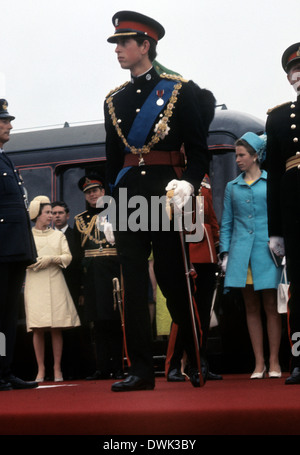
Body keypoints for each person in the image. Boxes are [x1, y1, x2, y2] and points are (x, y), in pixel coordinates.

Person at [104, 11, 214, 391]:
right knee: (133, 283)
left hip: (168, 196)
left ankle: (196, 358)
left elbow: (200, 152)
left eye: (124, 43)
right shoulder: (113, 100)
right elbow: (112, 159)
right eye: (116, 43)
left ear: (145, 46)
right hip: (130, 197)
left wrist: (191, 183)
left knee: (172, 278)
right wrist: (109, 204)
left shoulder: (179, 90)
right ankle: (139, 371)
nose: (118, 50)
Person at [220, 132, 282, 379]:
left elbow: (277, 216)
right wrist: (225, 253)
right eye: (236, 156)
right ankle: (259, 362)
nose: (237, 160)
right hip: (241, 254)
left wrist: (282, 243)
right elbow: (226, 222)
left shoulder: (271, 182)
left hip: (267, 251)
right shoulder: (231, 187)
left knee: (271, 306)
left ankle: (275, 361)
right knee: (251, 307)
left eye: (241, 155)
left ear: (256, 156)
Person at [166, 174, 222, 382]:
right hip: (184, 249)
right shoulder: (171, 176)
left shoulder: (204, 178)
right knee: (183, 312)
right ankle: (173, 364)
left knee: (204, 312)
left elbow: (210, 215)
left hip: (206, 252)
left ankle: (200, 363)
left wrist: (218, 245)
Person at [266, 43, 300, 384]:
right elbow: (274, 175)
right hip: (293, 201)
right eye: (294, 70)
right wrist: (275, 230)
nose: (299, 74)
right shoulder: (277, 117)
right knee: (298, 285)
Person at [0, 99, 38, 391]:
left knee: (7, 314)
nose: (9, 125)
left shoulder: (5, 159)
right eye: (4, 120)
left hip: (12, 248)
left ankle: (4, 370)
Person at [73, 174, 124, 380]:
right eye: (88, 192)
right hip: (92, 278)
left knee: (116, 322)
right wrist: (81, 288)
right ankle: (102, 367)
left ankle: (119, 366)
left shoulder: (117, 215)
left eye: (95, 191)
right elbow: (78, 255)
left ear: (103, 192)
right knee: (98, 324)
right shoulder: (79, 220)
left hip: (113, 274)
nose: (92, 195)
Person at [25, 196, 81, 382]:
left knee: (57, 327)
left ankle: (57, 369)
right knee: (38, 329)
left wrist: (51, 259)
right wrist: (31, 264)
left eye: (51, 212)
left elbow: (67, 257)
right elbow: (21, 259)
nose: (50, 216)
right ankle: (40, 370)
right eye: (47, 212)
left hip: (56, 281)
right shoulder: (27, 236)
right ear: (36, 214)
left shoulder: (58, 235)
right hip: (35, 284)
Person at [52, 201, 82, 379]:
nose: (56, 216)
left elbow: (79, 261)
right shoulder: (46, 235)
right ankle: (56, 369)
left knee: (73, 329)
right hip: (52, 287)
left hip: (72, 288)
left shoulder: (74, 235)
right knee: (54, 329)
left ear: (67, 215)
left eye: (60, 213)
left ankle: (74, 370)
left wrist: (82, 291)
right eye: (54, 213)